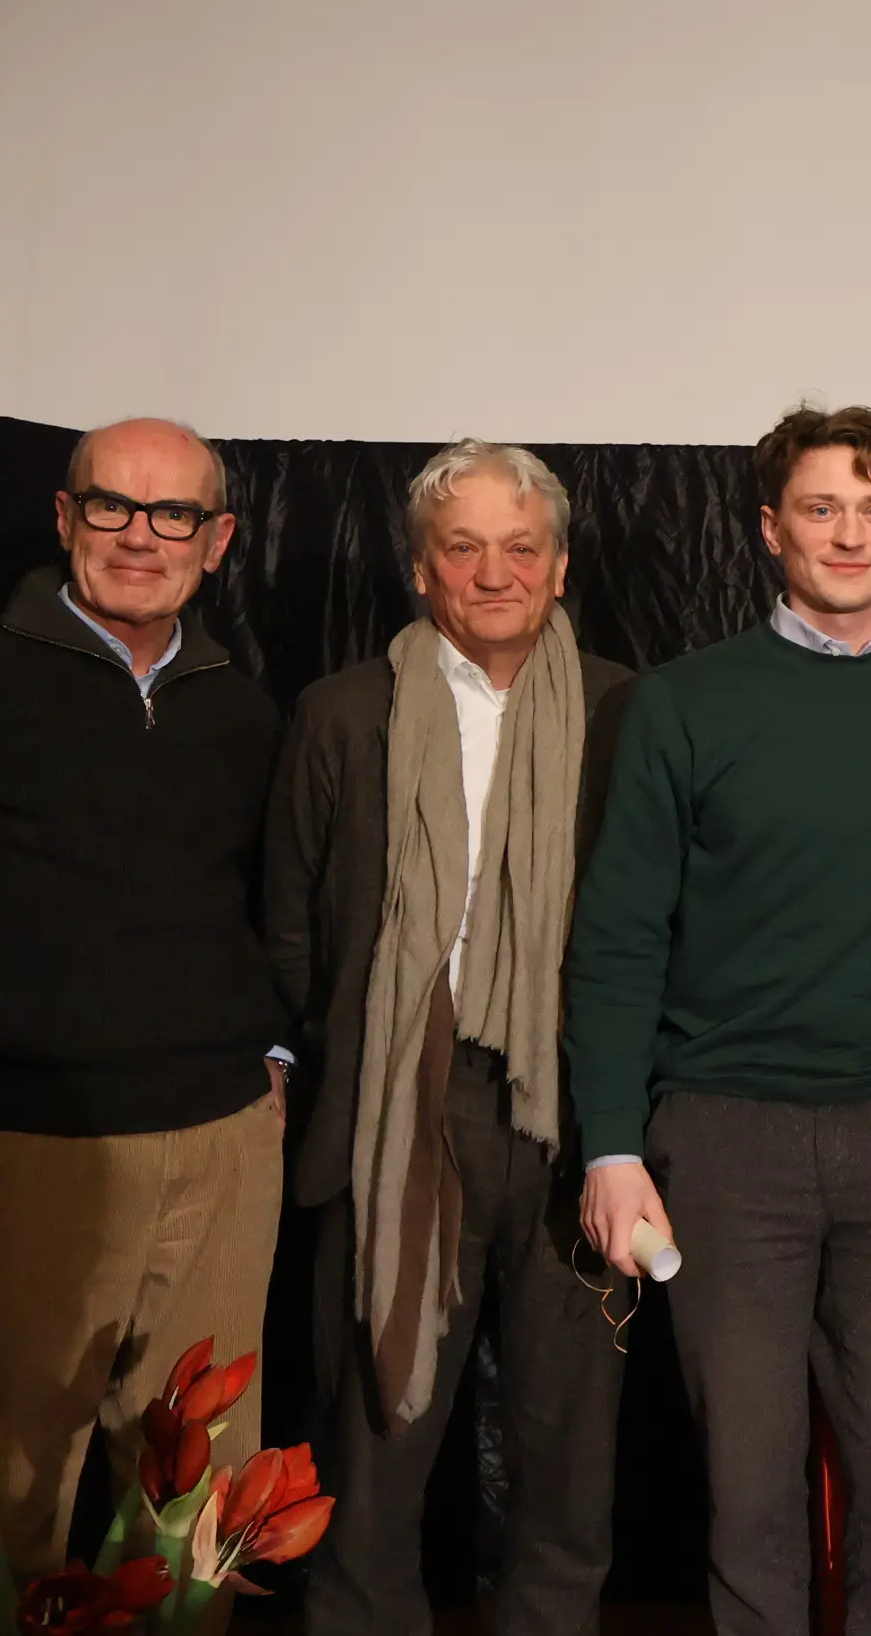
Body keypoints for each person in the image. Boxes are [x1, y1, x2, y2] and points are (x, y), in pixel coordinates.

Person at [565, 405, 871, 1636]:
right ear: (769, 529)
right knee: (749, 1503)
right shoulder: (681, 707)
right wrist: (610, 1144)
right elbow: (617, 942)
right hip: (726, 1145)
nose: (847, 533)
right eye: (820, 507)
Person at [0, 417, 289, 1582]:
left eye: (174, 515)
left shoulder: (242, 711)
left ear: (218, 541)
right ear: (64, 519)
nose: (141, 537)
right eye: (111, 505)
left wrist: (275, 1064)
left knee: (199, 1505)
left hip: (221, 1149)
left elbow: (275, 906)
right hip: (22, 1148)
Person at [266, 440, 635, 1636]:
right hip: (394, 1108)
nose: (494, 571)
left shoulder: (631, 711)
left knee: (566, 1448)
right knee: (377, 1441)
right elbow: (292, 928)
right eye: (462, 547)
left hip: (574, 1111)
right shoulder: (342, 714)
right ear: (420, 570)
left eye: (520, 546)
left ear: (561, 565)